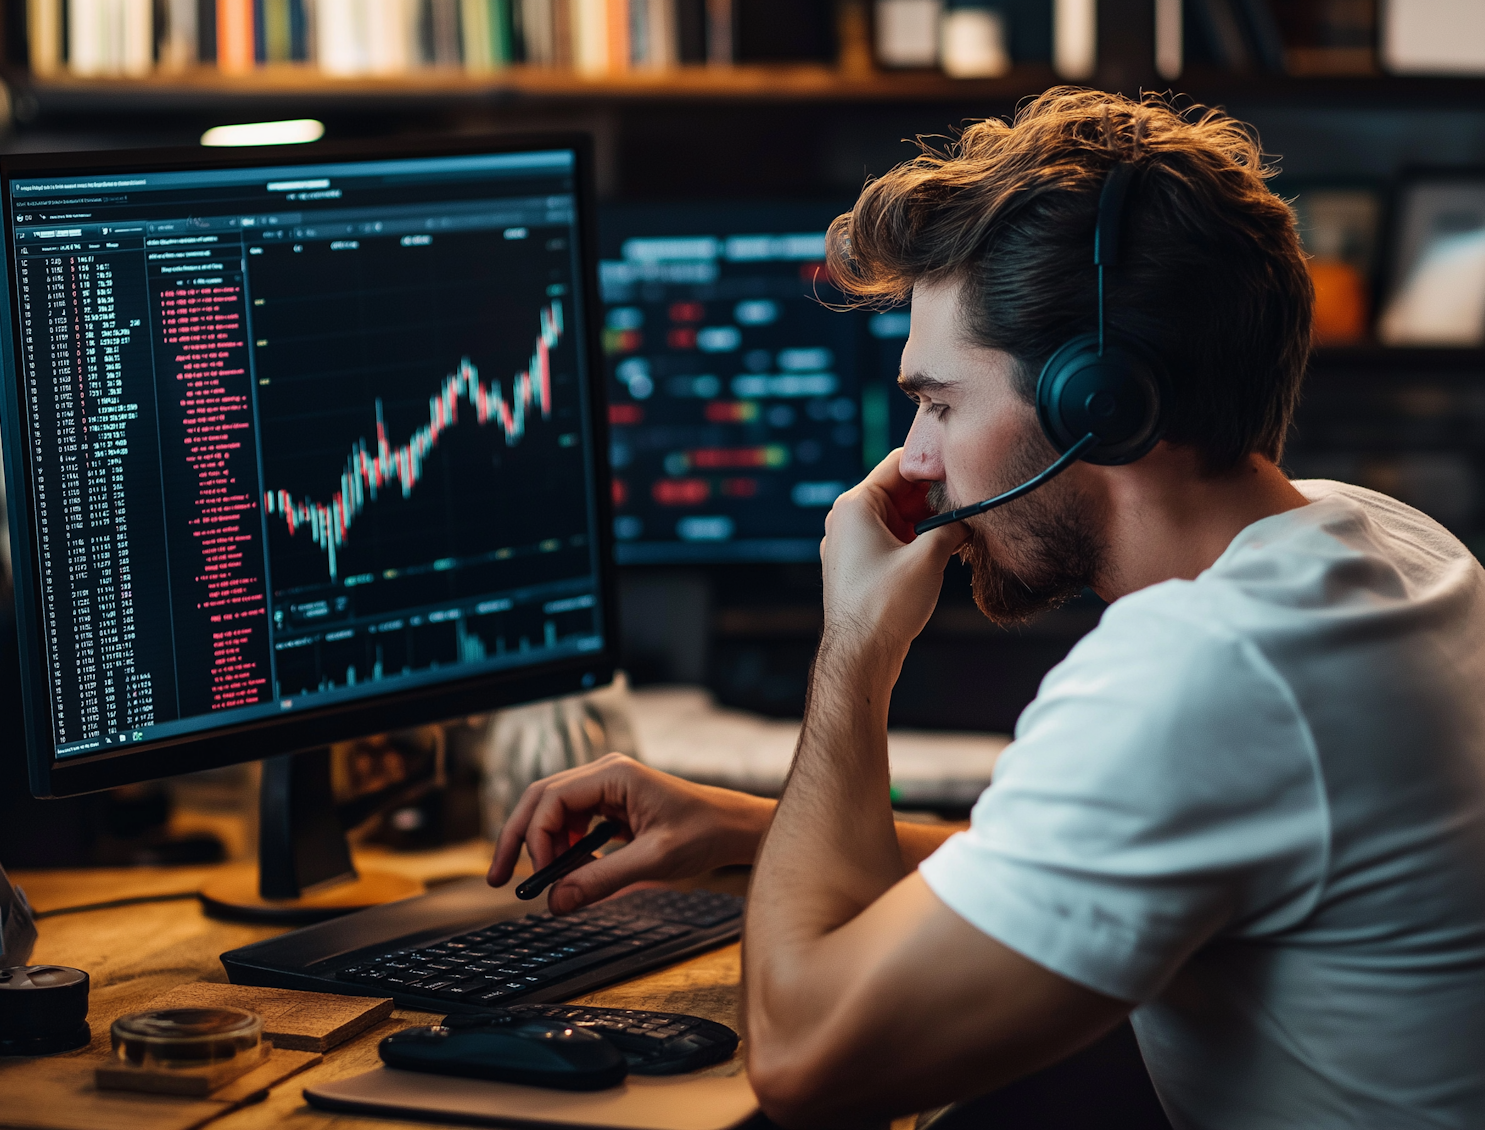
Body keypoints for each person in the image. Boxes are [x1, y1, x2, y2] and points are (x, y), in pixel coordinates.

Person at [486, 88, 1485, 1128]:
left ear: (1096, 402)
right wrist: (746, 825)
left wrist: (856, 643)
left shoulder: (1210, 670)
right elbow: (1089, 859)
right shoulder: (1376, 540)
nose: (913, 463)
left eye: (939, 402)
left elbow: (802, 1055)